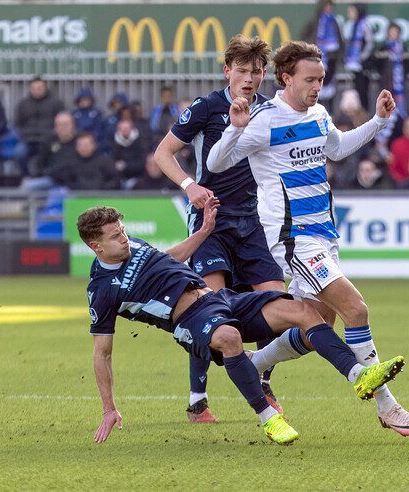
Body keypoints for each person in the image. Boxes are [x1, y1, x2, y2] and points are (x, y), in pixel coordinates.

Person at [206, 41, 409, 437]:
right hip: (292, 238)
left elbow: (338, 150)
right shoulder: (264, 119)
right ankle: (388, 406)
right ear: (286, 78)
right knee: (355, 309)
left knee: (316, 325)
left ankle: (252, 365)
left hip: (323, 233)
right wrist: (234, 130)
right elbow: (215, 163)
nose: (317, 87)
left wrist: (377, 120)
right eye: (310, 79)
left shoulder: (319, 113)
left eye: (321, 79)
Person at [79, 203, 406, 445]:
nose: (124, 238)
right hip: (189, 320)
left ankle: (359, 376)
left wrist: (204, 232)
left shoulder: (131, 244)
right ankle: (269, 417)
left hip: (219, 298)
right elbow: (102, 353)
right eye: (115, 236)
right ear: (96, 247)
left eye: (122, 230)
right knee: (229, 337)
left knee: (303, 312)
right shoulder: (102, 292)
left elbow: (167, 257)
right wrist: (109, 408)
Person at [154, 35, 286, 423]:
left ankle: (261, 377)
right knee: (210, 311)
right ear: (227, 71)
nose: (249, 78)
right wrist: (189, 186)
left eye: (256, 71)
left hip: (253, 221)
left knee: (277, 304)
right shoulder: (206, 108)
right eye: (241, 71)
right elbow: (162, 153)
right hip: (211, 221)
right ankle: (198, 398)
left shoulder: (269, 111)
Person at [14, 76, 65, 173]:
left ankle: (47, 176)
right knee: (19, 153)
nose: (36, 91)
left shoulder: (56, 103)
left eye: (39, 88)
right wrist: (24, 135)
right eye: (34, 88)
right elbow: (17, 124)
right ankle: (26, 177)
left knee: (57, 154)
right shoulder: (23, 104)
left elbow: (63, 122)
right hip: (28, 140)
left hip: (50, 140)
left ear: (45, 88)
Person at [302, 0, 343, 106]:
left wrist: (339, 55)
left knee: (329, 85)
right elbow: (304, 36)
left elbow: (339, 40)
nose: (329, 8)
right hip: (317, 58)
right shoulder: (316, 21)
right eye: (327, 6)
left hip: (331, 58)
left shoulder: (334, 22)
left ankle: (330, 110)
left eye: (331, 6)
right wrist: (312, 45)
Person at [375, 22, 409, 119]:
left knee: (402, 104)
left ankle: (401, 118)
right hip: (387, 82)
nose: (393, 34)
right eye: (392, 31)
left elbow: (408, 64)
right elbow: (378, 63)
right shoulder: (384, 47)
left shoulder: (403, 48)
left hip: (400, 83)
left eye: (395, 32)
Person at [344, 3, 374, 110]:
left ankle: (364, 114)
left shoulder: (364, 26)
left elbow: (369, 44)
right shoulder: (352, 25)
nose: (349, 14)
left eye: (351, 11)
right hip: (352, 65)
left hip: (361, 65)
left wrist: (361, 58)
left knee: (362, 92)